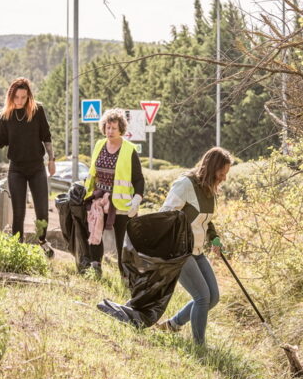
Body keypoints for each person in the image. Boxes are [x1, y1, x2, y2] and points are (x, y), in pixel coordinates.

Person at [156, 146, 232, 346]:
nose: (224, 177)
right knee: (202, 297)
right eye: (221, 173)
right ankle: (199, 346)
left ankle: (172, 325)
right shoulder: (186, 184)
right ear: (211, 168)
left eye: (226, 174)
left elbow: (205, 222)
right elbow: (165, 215)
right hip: (180, 251)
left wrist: (214, 238)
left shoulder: (210, 189)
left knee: (213, 297)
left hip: (197, 250)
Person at [0, 77, 56, 256]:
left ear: (28, 96)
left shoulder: (37, 111)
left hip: (37, 167)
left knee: (41, 210)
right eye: (17, 97)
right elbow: (2, 142)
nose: (20, 101)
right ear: (11, 96)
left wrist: (51, 159)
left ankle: (42, 240)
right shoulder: (5, 115)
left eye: (24, 97)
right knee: (18, 211)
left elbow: (46, 136)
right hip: (16, 169)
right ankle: (18, 247)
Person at [83, 108, 145, 275]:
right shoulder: (99, 145)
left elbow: (138, 179)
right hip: (99, 199)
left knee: (122, 243)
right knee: (95, 234)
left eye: (114, 128)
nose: (109, 131)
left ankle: (125, 276)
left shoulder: (129, 150)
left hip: (122, 204)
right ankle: (95, 268)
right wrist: (86, 192)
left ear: (121, 130)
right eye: (107, 127)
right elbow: (92, 172)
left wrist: (137, 199)